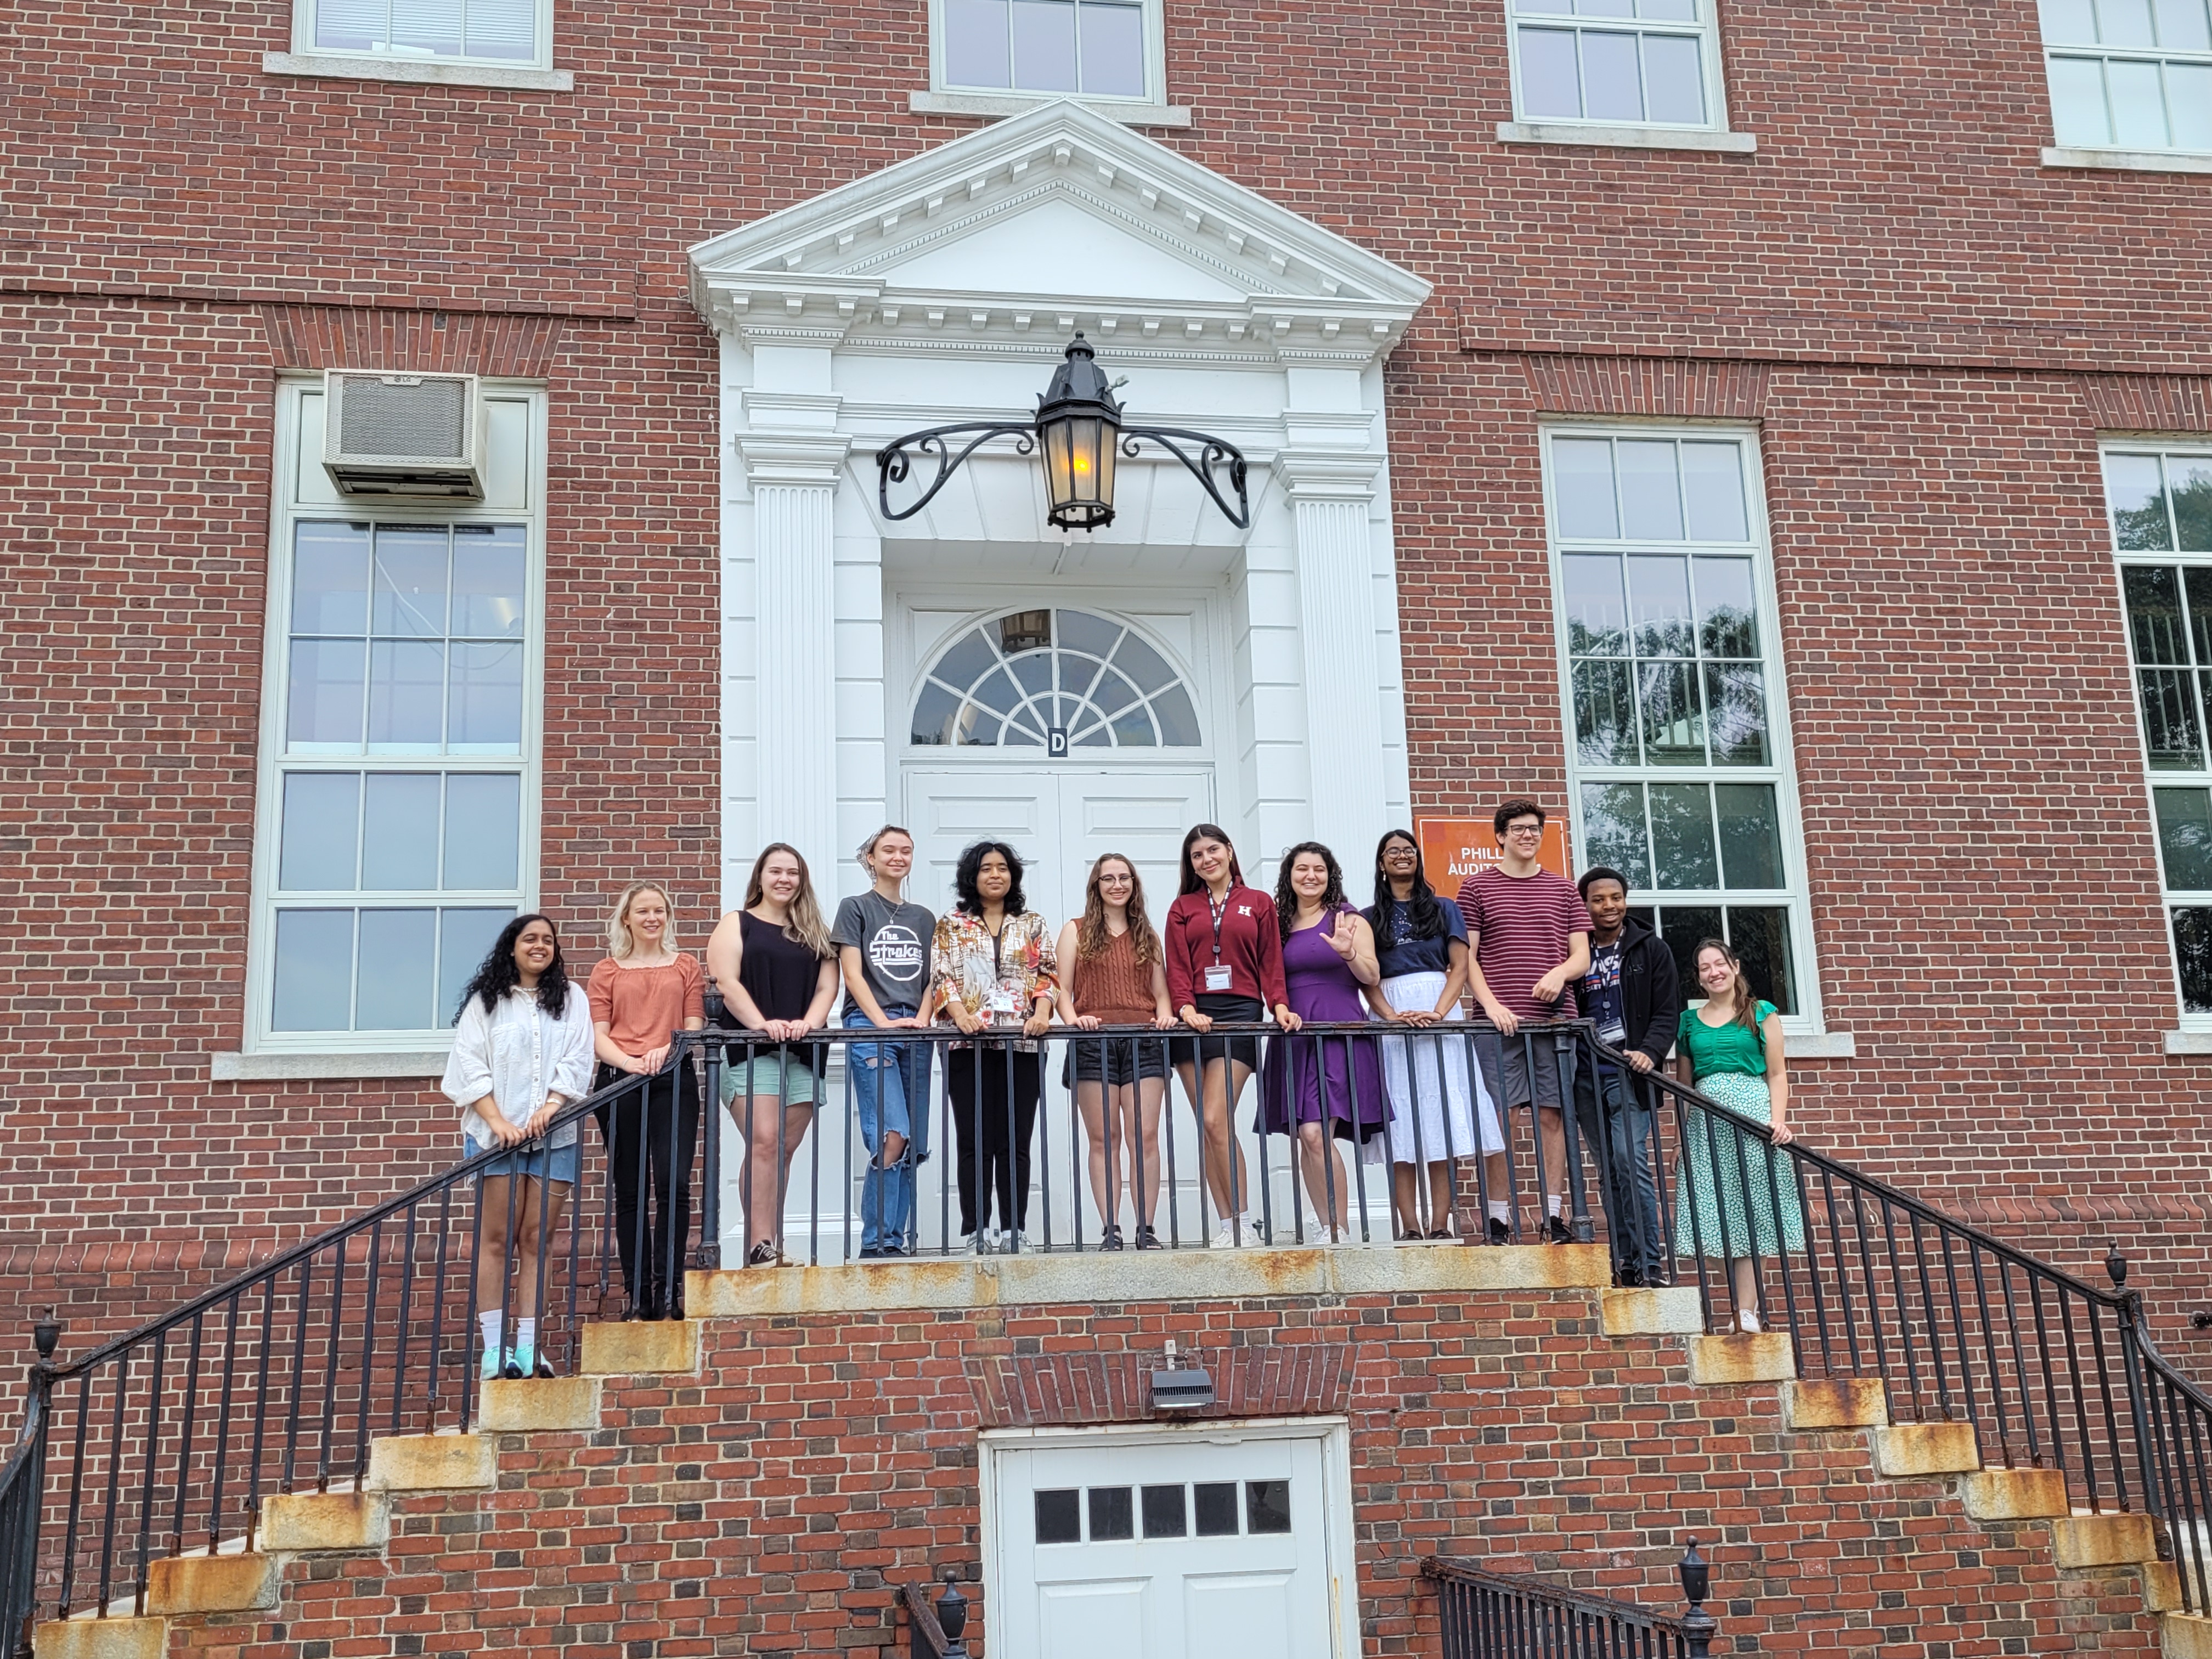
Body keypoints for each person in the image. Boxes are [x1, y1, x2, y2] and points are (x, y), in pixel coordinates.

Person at [443, 913, 595, 1379]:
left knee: (537, 1241)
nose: (540, 946)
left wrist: (552, 1106)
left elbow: (579, 1056)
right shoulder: (486, 1003)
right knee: (496, 1240)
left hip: (554, 1137)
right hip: (497, 1139)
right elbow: (468, 1064)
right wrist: (498, 1122)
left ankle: (530, 1349)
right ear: (512, 947)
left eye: (548, 940)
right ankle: (495, 1351)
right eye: (530, 939)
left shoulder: (572, 999)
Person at [1457, 799, 1592, 1244]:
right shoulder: (1476, 888)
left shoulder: (1564, 890)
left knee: (1553, 1118)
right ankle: (1499, 1218)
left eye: (1534, 828)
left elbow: (1581, 956)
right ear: (1501, 836)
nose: (1528, 835)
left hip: (1555, 1024)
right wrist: (1491, 1006)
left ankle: (1553, 1217)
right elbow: (1467, 958)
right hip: (1498, 1024)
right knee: (1502, 1120)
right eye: (1518, 828)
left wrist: (1559, 974)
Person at [1363, 830, 1503, 1242]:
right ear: (1381, 862)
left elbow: (1460, 965)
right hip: (1391, 1015)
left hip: (1439, 1009)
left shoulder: (1444, 908)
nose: (1401, 856)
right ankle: (1410, 1227)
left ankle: (1440, 1225)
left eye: (1408, 850)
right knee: (1401, 1123)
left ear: (1418, 857)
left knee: (1440, 1119)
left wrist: (1439, 1012)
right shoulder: (1368, 917)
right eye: (1392, 851)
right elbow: (1366, 976)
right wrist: (1390, 1016)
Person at [706, 844, 840, 1268]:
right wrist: (762, 1025)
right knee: (764, 1141)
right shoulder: (738, 923)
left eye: (793, 873)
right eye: (776, 871)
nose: (784, 879)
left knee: (784, 1148)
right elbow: (726, 981)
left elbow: (827, 987)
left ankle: (772, 1246)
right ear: (760, 878)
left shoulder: (815, 931)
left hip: (804, 1050)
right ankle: (757, 1244)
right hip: (750, 1048)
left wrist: (809, 1024)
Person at [1163, 824, 1291, 1249]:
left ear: (1230, 851)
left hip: (1240, 1012)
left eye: (1213, 850)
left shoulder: (1259, 903)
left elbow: (1271, 962)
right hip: (1192, 1016)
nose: (1207, 860)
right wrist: (1185, 1009)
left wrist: (1278, 1005)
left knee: (1217, 1118)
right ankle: (1227, 1224)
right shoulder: (1182, 907)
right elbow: (1177, 966)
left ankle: (1245, 1223)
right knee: (1208, 1127)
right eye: (1197, 855)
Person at [588, 882, 706, 1321]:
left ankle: (669, 1291)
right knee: (630, 1190)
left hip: (673, 1078)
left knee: (673, 1183)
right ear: (627, 919)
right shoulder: (606, 971)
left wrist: (666, 1050)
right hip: (619, 1082)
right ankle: (638, 1297)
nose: (652, 918)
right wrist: (630, 1062)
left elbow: (693, 1025)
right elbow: (598, 1036)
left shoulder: (685, 966)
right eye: (643, 911)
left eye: (659, 910)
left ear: (668, 917)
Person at [932, 841, 1056, 1254]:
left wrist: (1042, 1013)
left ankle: (1014, 1230)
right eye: (986, 868)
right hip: (967, 1045)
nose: (995, 875)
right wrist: (959, 1015)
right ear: (973, 876)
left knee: (1015, 1140)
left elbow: (1048, 974)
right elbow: (941, 975)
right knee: (974, 1140)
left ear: (1012, 875)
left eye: (1002, 868)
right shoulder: (952, 924)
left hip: (1022, 1044)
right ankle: (977, 1231)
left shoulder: (1032, 923)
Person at [1673, 938, 1803, 1332]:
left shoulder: (1761, 1013)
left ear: (1735, 967)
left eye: (1720, 964)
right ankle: (1744, 1299)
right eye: (1705, 968)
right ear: (1699, 978)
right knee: (1705, 1217)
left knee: (1753, 1216)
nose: (1714, 972)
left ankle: (1745, 1312)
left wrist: (1777, 1121)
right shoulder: (1688, 1022)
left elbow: (1776, 1073)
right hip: (1705, 1127)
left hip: (1753, 1121)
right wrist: (1680, 1139)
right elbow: (1684, 1086)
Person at [1261, 843, 1387, 1240]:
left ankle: (1339, 1228)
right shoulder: (1277, 924)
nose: (1311, 876)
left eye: (1319, 869)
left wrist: (1349, 953)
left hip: (1337, 1032)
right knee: (1306, 1135)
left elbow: (1372, 976)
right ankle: (1325, 1225)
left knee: (1317, 1133)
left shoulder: (1347, 919)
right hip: (1294, 1035)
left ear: (1330, 876)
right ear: (1289, 876)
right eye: (1302, 869)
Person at [1053, 854, 1177, 1250]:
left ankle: (1146, 1228)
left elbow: (1161, 994)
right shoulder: (1075, 930)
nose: (1117, 885)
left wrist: (1165, 1017)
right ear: (1097, 886)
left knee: (1145, 1136)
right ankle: (1112, 1229)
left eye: (1124, 878)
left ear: (1134, 885)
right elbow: (1061, 989)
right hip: (1093, 1041)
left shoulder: (1147, 934)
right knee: (1103, 1137)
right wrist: (1074, 1021)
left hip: (1144, 1040)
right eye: (1108, 878)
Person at [831, 826, 938, 1260]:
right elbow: (852, 974)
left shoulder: (924, 918)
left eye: (905, 851)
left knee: (913, 1144)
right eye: (888, 850)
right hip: (871, 1029)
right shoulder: (855, 908)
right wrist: (882, 1024)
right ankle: (876, 1242)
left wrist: (923, 1019)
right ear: (870, 858)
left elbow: (934, 978)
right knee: (892, 1134)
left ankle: (896, 1240)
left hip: (916, 1029)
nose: (898, 857)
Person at [1575, 867, 1681, 1288]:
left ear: (1625, 900)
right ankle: (1626, 1262)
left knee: (1629, 1160)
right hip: (1585, 1075)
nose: (1609, 906)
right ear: (1585, 905)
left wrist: (1650, 1052)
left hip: (1628, 1072)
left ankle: (1650, 1261)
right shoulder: (1576, 950)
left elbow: (1667, 1012)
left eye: (1616, 897)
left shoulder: (1651, 949)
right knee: (1608, 1170)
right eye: (1599, 899)